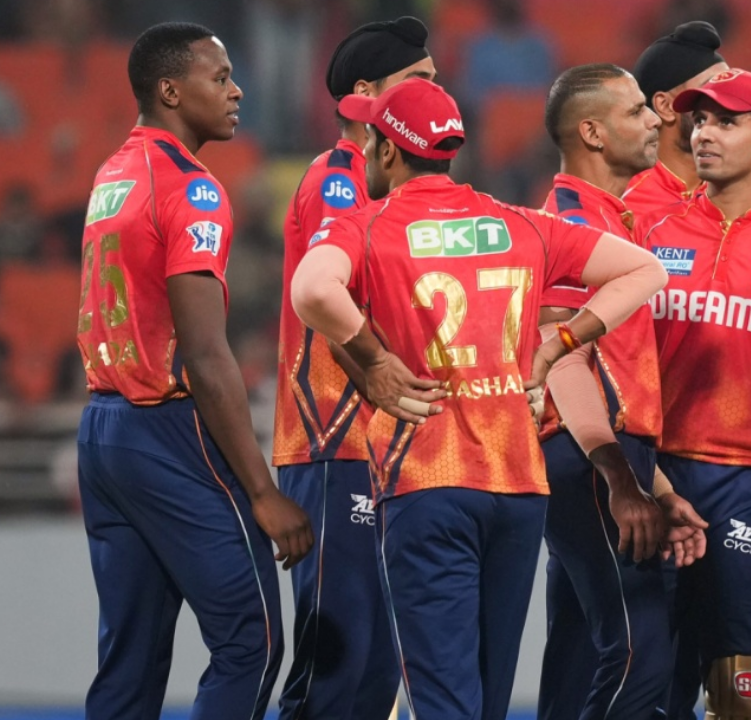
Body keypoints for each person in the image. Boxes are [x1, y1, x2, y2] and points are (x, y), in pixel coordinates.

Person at [290, 77, 667, 720]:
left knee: (442, 697)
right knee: (489, 699)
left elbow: (311, 291)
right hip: (517, 486)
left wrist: (376, 362)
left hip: (426, 482)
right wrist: (556, 346)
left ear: (386, 150)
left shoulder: (369, 225)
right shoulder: (522, 224)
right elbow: (646, 270)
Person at [76, 22, 312, 720]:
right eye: (220, 76)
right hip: (168, 430)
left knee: (130, 660)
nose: (237, 89)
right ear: (171, 90)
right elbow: (206, 355)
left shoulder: (113, 172)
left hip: (103, 430)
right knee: (255, 640)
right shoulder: (192, 189)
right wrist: (262, 491)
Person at [272, 16, 436, 720]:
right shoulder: (337, 181)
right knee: (337, 659)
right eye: (420, 81)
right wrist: (377, 367)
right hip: (332, 437)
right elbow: (326, 296)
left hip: (374, 446)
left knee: (373, 664)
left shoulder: (389, 190)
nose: (437, 91)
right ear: (366, 95)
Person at [632, 68, 751, 720]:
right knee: (649, 672)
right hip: (657, 476)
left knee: (739, 672)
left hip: (749, 485)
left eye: (725, 122)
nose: (703, 134)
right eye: (699, 120)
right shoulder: (651, 236)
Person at [536, 62, 708, 720]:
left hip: (609, 457)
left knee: (582, 647)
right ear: (593, 132)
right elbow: (560, 359)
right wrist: (618, 477)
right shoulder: (569, 223)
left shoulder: (615, 220)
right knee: (641, 651)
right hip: (587, 456)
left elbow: (616, 370)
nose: (657, 120)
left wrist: (657, 487)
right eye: (637, 110)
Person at [625, 20, 729, 217]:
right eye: (710, 89)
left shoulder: (738, 199)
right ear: (665, 106)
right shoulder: (622, 206)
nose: (726, 104)